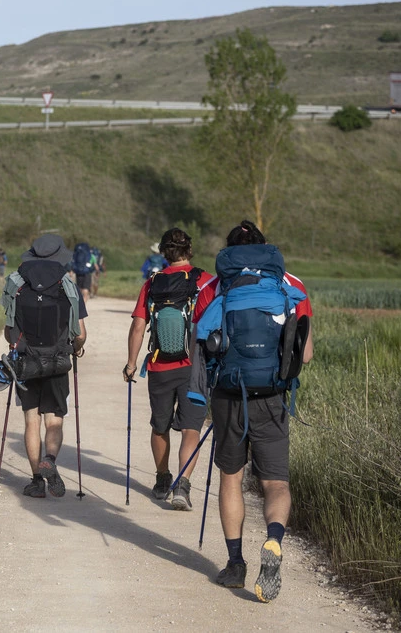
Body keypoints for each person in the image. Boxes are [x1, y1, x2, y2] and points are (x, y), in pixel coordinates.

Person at [194, 220, 313, 603]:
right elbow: (305, 355)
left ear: (229, 252)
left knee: (231, 478)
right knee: (275, 483)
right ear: (266, 249)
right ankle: (274, 541)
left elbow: (201, 346)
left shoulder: (214, 287)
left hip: (229, 396)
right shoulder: (290, 286)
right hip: (273, 397)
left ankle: (234, 565)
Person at [123, 228, 213, 510]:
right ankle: (182, 487)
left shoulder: (152, 283)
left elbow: (139, 326)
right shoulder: (206, 282)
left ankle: (163, 480)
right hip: (194, 368)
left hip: (159, 366)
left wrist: (131, 363)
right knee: (191, 428)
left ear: (163, 252)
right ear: (189, 250)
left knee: (160, 425)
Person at [0, 234, 87, 498]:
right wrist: (76, 349)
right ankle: (50, 458)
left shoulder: (18, 284)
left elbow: (9, 331)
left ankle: (37, 480)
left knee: (31, 420)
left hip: (26, 363)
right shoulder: (68, 286)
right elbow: (80, 333)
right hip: (58, 361)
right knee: (54, 420)